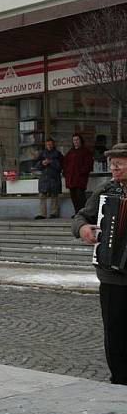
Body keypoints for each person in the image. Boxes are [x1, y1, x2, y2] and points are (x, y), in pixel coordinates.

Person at [72, 142, 127, 385]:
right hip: (112, 275)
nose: (114, 169)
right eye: (112, 165)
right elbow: (81, 216)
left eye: (119, 165)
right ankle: (119, 379)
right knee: (114, 332)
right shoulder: (106, 190)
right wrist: (83, 228)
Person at [33, 138, 64, 219]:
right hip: (44, 177)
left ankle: (54, 213)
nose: (49, 146)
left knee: (54, 196)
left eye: (50, 144)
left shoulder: (58, 154)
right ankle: (42, 213)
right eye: (47, 144)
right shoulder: (42, 154)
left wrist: (51, 162)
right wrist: (42, 163)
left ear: (53, 144)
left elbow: (61, 166)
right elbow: (36, 165)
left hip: (54, 177)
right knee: (42, 195)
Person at [64, 134, 94, 213]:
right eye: (74, 140)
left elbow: (89, 164)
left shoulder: (85, 151)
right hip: (71, 178)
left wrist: (82, 172)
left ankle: (83, 213)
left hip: (80, 179)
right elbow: (65, 163)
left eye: (77, 140)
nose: (75, 142)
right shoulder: (70, 152)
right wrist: (66, 172)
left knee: (80, 197)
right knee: (73, 197)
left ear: (80, 140)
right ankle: (77, 213)